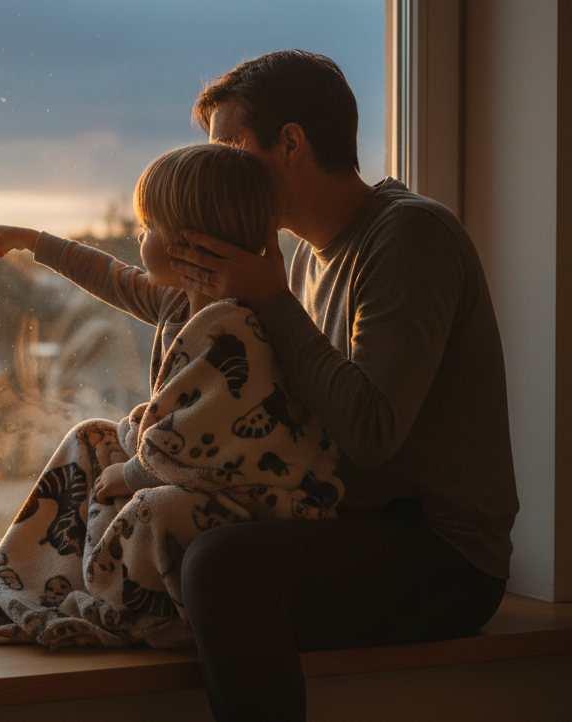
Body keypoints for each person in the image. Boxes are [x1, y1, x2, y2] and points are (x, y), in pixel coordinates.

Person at [168, 50, 519, 721]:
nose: (221, 170)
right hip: (358, 520)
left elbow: (371, 431)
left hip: (443, 552)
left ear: (291, 143)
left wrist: (272, 301)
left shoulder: (409, 235)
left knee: (221, 567)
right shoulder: (301, 259)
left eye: (233, 149)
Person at [0, 143, 343, 650]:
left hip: (251, 497)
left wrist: (131, 473)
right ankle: (36, 576)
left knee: (154, 509)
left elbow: (212, 441)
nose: (139, 236)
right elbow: (110, 277)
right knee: (89, 438)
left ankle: (128, 604)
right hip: (183, 467)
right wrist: (35, 242)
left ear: (187, 244)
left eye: (149, 226)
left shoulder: (237, 328)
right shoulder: (179, 299)